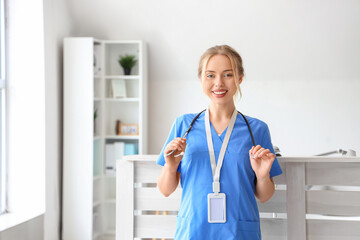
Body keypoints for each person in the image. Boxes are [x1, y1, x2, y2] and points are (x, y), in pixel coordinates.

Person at [156, 45, 282, 239]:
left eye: (228, 75)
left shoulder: (257, 129)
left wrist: (263, 176)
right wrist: (171, 167)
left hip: (239, 232)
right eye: (210, 75)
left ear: (239, 78)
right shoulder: (183, 125)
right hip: (193, 231)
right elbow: (165, 190)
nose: (219, 83)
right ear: (201, 79)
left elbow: (264, 196)